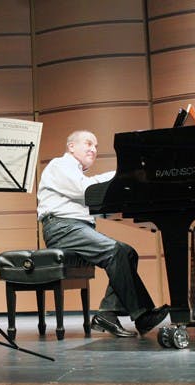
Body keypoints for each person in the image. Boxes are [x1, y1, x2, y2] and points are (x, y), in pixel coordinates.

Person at [37, 130, 168, 337]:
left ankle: (108, 314)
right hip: (62, 227)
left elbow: (91, 184)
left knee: (127, 252)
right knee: (116, 251)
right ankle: (141, 316)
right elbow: (85, 191)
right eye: (88, 143)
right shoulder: (59, 165)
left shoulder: (74, 171)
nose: (94, 150)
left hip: (75, 228)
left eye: (96, 146)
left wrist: (122, 177)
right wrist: (120, 176)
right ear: (71, 146)